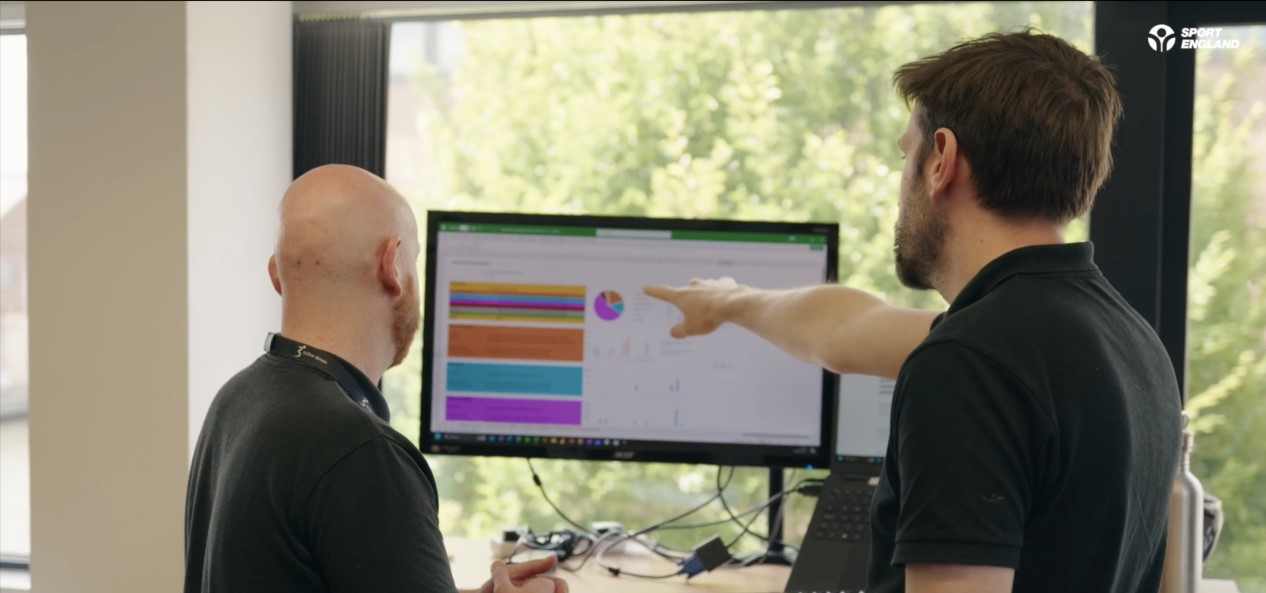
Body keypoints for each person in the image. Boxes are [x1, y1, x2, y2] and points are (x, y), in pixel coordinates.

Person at [646, 30, 1182, 593]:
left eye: (907, 153)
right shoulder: (1119, 338)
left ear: (941, 161)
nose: (901, 184)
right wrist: (729, 302)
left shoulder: (972, 363)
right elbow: (847, 329)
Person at [185, 165, 567, 593]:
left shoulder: (239, 399)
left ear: (277, 275)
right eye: (415, 261)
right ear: (393, 265)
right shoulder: (360, 453)